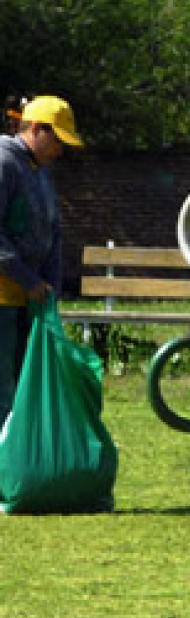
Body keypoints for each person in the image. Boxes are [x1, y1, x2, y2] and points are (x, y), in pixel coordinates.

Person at [0, 95, 83, 428]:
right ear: (36, 129)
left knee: (21, 389)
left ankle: (17, 464)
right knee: (3, 391)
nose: (60, 150)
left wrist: (52, 286)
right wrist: (28, 279)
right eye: (57, 141)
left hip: (28, 299)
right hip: (4, 297)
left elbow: (53, 232)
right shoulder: (4, 163)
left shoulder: (40, 169)